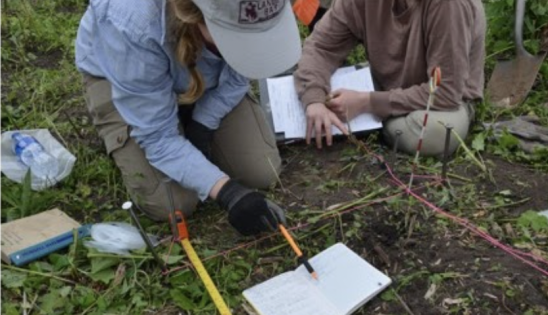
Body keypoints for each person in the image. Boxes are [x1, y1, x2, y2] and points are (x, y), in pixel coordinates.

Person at [75, 0, 301, 236]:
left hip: (204, 76)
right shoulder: (132, 21)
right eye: (240, 38)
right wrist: (227, 191)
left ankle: (185, 120)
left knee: (260, 171)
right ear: (196, 15)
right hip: (124, 76)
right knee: (174, 204)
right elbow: (158, 138)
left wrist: (203, 123)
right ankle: (125, 130)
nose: (255, 48)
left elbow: (243, 69)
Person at [294, 0, 486, 155]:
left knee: (434, 133)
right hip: (385, 86)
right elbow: (320, 47)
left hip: (443, 103)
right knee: (316, 83)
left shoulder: (449, 6)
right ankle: (378, 117)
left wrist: (366, 103)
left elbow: (445, 92)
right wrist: (314, 100)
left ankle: (376, 122)